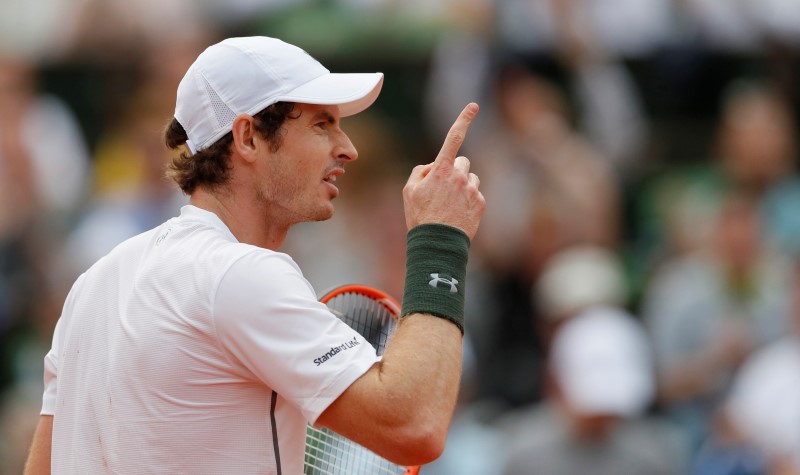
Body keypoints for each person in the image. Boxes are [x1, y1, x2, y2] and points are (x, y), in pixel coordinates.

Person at [23, 36, 485, 474]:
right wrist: (439, 237)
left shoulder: (96, 282)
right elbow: (414, 425)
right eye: (322, 124)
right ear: (247, 137)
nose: (348, 148)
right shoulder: (241, 274)